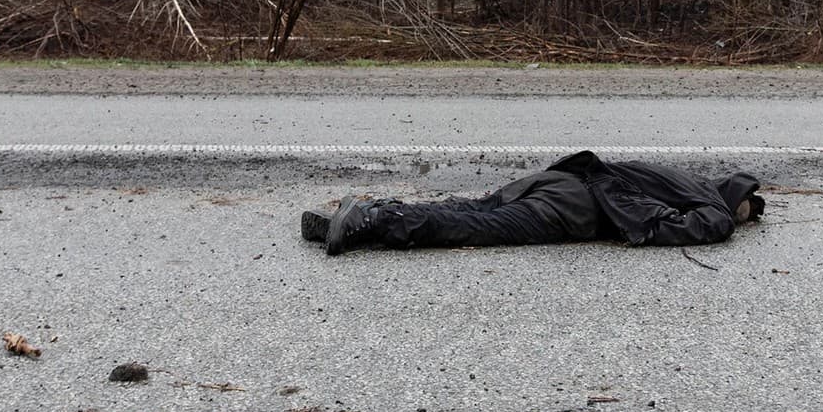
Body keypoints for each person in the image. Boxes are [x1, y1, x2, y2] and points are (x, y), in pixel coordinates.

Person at [301, 149, 765, 255]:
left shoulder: (682, 176)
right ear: (732, 195)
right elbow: (698, 227)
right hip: (572, 207)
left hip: (553, 180)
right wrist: (719, 218)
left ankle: (365, 212)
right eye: (746, 207)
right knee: (478, 229)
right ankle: (373, 220)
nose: (745, 215)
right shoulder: (709, 199)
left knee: (473, 208)